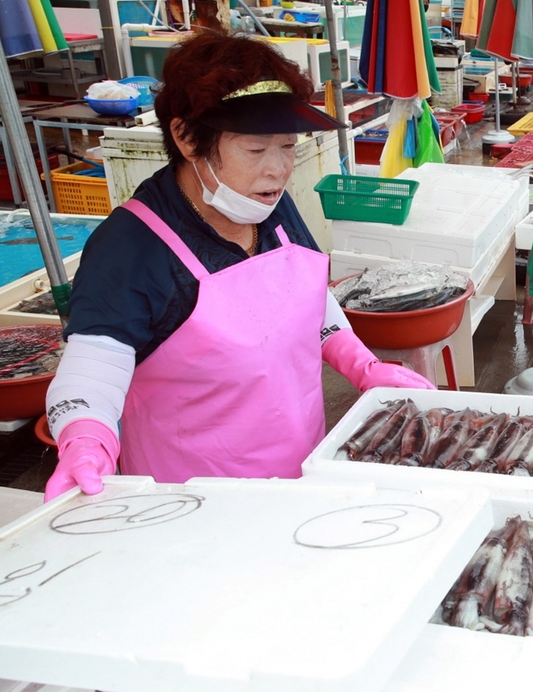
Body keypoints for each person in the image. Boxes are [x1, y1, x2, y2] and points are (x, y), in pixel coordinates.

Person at [43, 30, 434, 501]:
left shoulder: (270, 206)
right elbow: (92, 369)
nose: (278, 169)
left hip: (303, 471)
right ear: (187, 138)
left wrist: (360, 363)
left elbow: (308, 302)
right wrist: (87, 439)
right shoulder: (131, 247)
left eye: (287, 146)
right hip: (193, 500)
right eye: (254, 150)